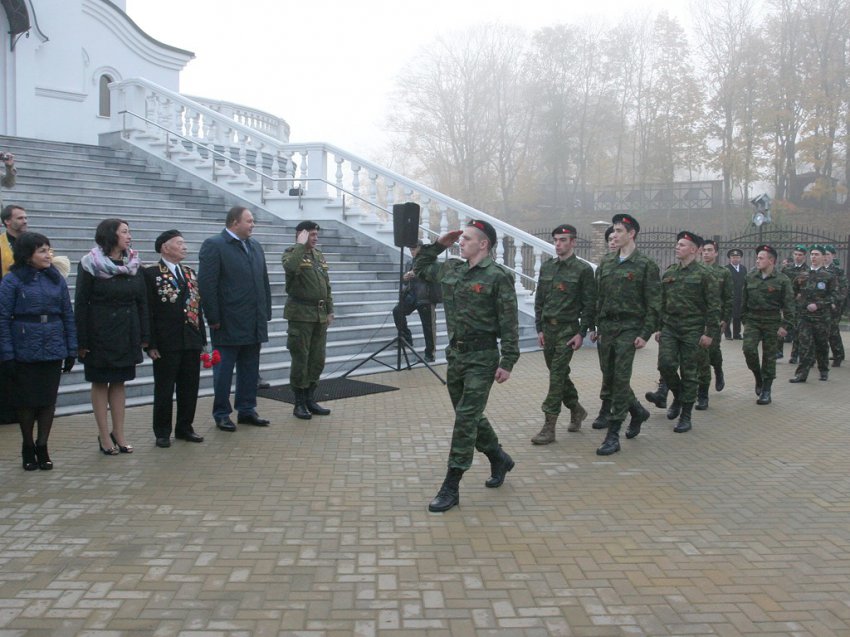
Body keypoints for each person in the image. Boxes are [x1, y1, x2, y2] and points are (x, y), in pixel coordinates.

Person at [413, 219, 519, 513]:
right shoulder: (453, 269)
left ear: (483, 244)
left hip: (483, 358)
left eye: (468, 238)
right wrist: (438, 245)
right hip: (456, 356)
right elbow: (421, 268)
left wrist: (508, 361)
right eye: (462, 238)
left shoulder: (498, 277)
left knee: (465, 420)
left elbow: (509, 323)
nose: (461, 241)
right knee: (468, 414)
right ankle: (498, 457)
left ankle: (451, 484)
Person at [0, 232, 76, 470]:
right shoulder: (12, 280)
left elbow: (67, 314)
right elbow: (2, 318)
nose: (48, 255)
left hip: (53, 344)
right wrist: (7, 353)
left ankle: (42, 445)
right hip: (24, 346)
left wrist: (71, 348)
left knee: (47, 400)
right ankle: (27, 444)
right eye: (42, 251)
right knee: (27, 402)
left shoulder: (56, 278)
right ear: (27, 254)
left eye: (49, 250)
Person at [74, 218, 148, 455]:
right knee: (100, 382)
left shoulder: (133, 263)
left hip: (127, 330)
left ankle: (119, 432)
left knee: (119, 382)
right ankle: (104, 435)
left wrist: (145, 333)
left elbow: (142, 301)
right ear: (110, 235)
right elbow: (81, 303)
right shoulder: (90, 263)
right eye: (124, 232)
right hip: (99, 332)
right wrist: (82, 340)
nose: (129, 236)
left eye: (129, 232)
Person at [591, 213, 661, 455]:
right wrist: (596, 327)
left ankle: (613, 433)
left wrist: (645, 333)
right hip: (607, 328)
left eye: (619, 230)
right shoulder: (607, 263)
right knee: (610, 378)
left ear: (631, 234)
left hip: (629, 328)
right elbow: (599, 298)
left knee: (620, 379)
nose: (614, 234)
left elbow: (654, 303)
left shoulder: (646, 265)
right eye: (613, 231)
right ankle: (638, 411)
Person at [198, 206, 272, 431]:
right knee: (223, 372)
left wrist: (265, 312)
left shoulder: (255, 246)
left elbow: (263, 281)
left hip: (253, 321)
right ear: (234, 222)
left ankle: (247, 409)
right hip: (227, 322)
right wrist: (213, 317)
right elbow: (207, 285)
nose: (253, 225)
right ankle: (221, 413)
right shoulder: (215, 245)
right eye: (249, 221)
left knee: (250, 369)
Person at [530, 224, 596, 445]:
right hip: (548, 330)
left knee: (556, 376)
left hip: (567, 330)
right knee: (559, 374)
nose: (558, 244)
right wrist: (539, 328)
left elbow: (589, 304)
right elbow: (539, 300)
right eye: (556, 240)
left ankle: (549, 427)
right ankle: (576, 409)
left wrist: (581, 332)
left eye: (563, 240)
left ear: (573, 242)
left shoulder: (582, 270)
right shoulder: (547, 267)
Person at [144, 230, 207, 448]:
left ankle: (185, 427)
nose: (184, 247)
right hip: (166, 341)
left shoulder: (189, 272)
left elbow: (197, 307)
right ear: (165, 247)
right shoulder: (151, 273)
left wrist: (202, 338)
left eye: (184, 243)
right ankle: (162, 431)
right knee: (164, 388)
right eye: (179, 243)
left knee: (189, 387)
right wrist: (150, 343)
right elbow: (148, 310)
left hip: (190, 338)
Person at [655, 232, 719, 433]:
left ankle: (686, 415)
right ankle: (679, 395)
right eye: (677, 244)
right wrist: (659, 327)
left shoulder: (705, 274)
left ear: (693, 249)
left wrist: (710, 333)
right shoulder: (670, 272)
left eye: (682, 245)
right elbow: (662, 302)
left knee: (689, 372)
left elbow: (714, 306)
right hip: (670, 327)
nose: (677, 247)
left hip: (693, 329)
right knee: (665, 365)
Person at [282, 220, 334, 420]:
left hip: (319, 315)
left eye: (316, 234)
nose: (315, 238)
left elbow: (326, 285)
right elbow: (290, 268)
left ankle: (310, 399)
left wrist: (330, 310)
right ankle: (299, 403)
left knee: (317, 359)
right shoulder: (291, 253)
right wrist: (300, 245)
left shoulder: (318, 256)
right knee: (301, 360)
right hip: (300, 315)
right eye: (312, 234)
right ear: (301, 234)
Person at [741, 245, 795, 405]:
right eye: (757, 258)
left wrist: (785, 326)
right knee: (748, 349)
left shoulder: (782, 280)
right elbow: (744, 300)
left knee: (769, 356)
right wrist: (744, 319)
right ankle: (758, 376)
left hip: (772, 321)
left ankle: (766, 390)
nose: (757, 261)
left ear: (771, 260)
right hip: (753, 320)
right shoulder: (750, 276)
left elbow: (789, 305)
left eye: (761, 258)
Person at [694, 239, 732, 410]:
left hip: (715, 319)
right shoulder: (696, 270)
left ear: (716, 253)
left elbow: (728, 298)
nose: (706, 253)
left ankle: (718, 370)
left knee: (713, 351)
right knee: (701, 356)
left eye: (710, 250)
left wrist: (725, 318)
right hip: (697, 319)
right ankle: (702, 393)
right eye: (704, 250)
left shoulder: (723, 272)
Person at [789, 245, 836, 383]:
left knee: (821, 344)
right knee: (804, 345)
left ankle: (823, 370)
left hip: (822, 317)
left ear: (823, 257)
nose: (814, 257)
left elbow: (834, 295)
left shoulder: (829, 276)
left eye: (817, 254)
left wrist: (818, 305)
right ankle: (801, 374)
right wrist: (798, 301)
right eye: (812, 254)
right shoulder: (802, 275)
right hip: (804, 317)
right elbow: (793, 291)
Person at [392, 241, 439, 363]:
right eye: (410, 249)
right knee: (397, 311)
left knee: (428, 327)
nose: (412, 251)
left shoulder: (431, 260)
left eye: (414, 249)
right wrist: (404, 278)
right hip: (412, 296)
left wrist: (417, 273)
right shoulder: (410, 262)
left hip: (426, 297)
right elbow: (405, 282)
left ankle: (430, 354)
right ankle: (406, 338)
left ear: (421, 248)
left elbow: (435, 276)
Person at [780, 244, 808, 363]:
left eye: (800, 255)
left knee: (797, 330)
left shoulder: (807, 271)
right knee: (781, 326)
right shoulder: (786, 269)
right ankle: (778, 352)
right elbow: (780, 282)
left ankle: (795, 355)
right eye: (796, 254)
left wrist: (801, 294)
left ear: (804, 256)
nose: (797, 257)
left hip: (799, 304)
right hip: (786, 303)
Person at [823, 245, 846, 367]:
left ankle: (838, 355)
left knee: (833, 330)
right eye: (824, 254)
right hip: (821, 305)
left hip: (834, 305)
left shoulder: (838, 271)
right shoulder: (819, 269)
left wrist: (835, 303)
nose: (825, 257)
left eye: (827, 254)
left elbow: (843, 290)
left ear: (833, 256)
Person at [725, 248, 747, 339]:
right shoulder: (726, 269)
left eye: (737, 257)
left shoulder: (743, 268)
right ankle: (727, 334)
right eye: (733, 257)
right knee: (728, 316)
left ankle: (736, 334)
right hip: (729, 296)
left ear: (740, 258)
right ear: (730, 258)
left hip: (740, 296)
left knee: (737, 315)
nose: (735, 259)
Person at [1, 204, 27, 279]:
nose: (25, 221)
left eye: (25, 218)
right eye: (20, 218)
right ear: (7, 221)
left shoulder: (36, 240)